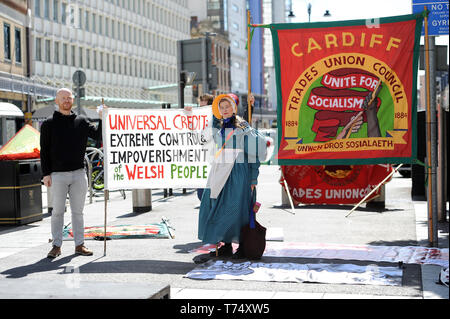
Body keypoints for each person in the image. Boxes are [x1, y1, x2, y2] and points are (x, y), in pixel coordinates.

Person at [197, 94, 268, 259]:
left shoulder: (244, 127)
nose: (224, 110)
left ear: (234, 108)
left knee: (239, 210)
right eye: (221, 108)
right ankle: (225, 245)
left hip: (238, 173)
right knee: (218, 209)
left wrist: (253, 178)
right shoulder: (217, 126)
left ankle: (243, 245)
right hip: (220, 172)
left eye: (227, 106)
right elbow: (203, 139)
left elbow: (253, 154)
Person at [40, 88, 105, 258]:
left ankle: (79, 245)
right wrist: (46, 174)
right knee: (57, 212)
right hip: (57, 175)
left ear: (73, 100)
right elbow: (44, 151)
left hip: (78, 173)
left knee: (78, 212)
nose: (67, 100)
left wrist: (102, 116)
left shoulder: (82, 120)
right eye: (63, 98)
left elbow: (98, 136)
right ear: (57, 100)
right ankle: (56, 245)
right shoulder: (48, 123)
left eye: (69, 98)